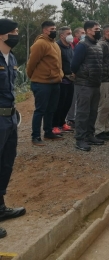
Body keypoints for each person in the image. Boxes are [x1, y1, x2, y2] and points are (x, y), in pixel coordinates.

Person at [0, 19, 26, 238]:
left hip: (9, 118)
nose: (17, 34)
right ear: (1, 35)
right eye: (13, 31)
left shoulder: (12, 58)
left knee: (6, 164)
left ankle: (0, 208)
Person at [27, 21, 64, 145]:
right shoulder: (40, 43)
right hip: (42, 83)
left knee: (51, 109)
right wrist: (33, 76)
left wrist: (61, 75)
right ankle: (35, 136)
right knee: (40, 110)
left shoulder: (55, 44)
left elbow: (58, 63)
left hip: (55, 82)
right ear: (45, 30)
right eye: (52, 29)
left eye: (55, 28)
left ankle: (48, 132)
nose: (55, 31)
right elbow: (31, 63)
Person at [71, 21, 104, 151]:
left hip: (95, 84)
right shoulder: (82, 46)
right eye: (97, 29)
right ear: (89, 31)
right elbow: (74, 65)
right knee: (82, 113)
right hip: (84, 84)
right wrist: (85, 74)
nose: (98, 31)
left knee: (93, 112)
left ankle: (90, 135)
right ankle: (80, 139)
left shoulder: (97, 45)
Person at [94, 24, 109, 140]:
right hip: (105, 80)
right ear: (106, 32)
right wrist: (105, 76)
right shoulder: (102, 45)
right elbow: (99, 63)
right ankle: (98, 130)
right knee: (104, 106)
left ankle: (106, 127)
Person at [52, 26, 74, 134]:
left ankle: (62, 123)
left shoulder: (70, 47)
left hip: (71, 80)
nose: (71, 35)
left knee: (68, 103)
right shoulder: (57, 46)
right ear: (61, 36)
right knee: (59, 104)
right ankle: (54, 125)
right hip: (61, 80)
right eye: (68, 33)